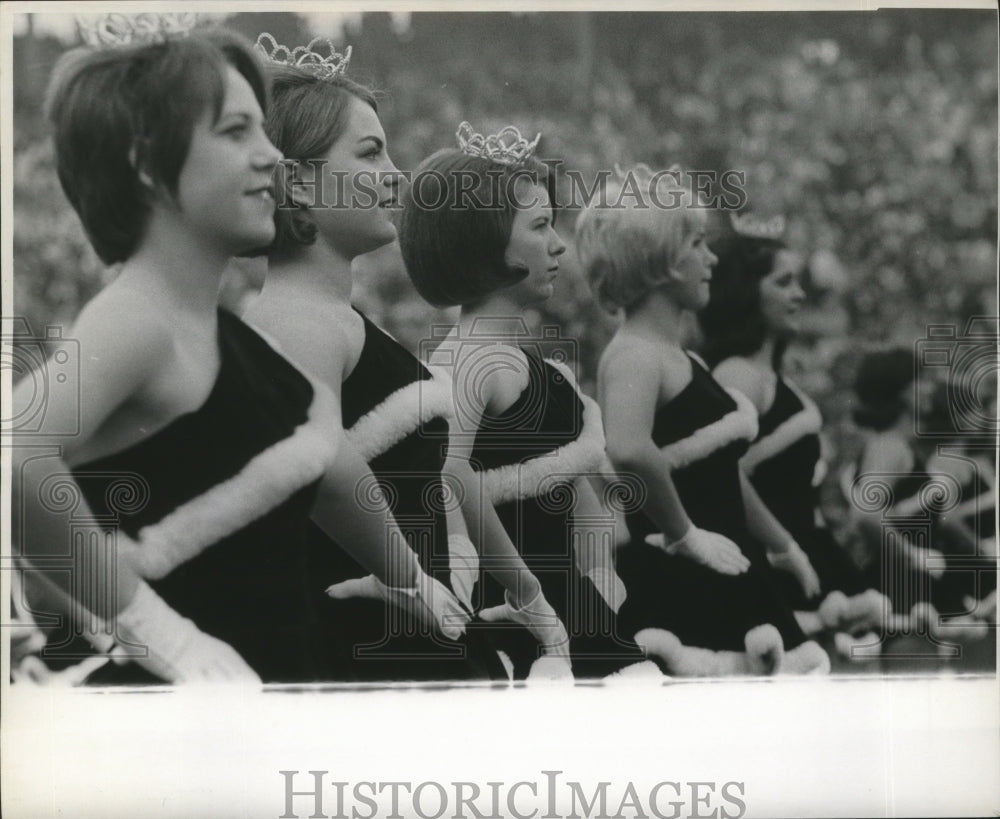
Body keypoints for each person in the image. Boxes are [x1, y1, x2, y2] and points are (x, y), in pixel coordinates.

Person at [11, 16, 461, 686]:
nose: (274, 156)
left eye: (262, 128)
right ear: (146, 160)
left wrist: (416, 585)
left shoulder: (224, 330)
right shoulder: (136, 314)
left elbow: (330, 472)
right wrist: (161, 633)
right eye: (235, 131)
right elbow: (14, 455)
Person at [245, 38, 566, 682]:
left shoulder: (333, 317)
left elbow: (435, 477)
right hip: (367, 651)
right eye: (370, 153)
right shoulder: (293, 315)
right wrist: (409, 578)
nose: (397, 173)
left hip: (408, 636)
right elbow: (313, 463)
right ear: (299, 181)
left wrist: (515, 591)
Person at [397, 123, 662, 680]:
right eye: (540, 226)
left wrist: (598, 578)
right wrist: (528, 591)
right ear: (487, 244)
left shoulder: (524, 360)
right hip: (519, 617)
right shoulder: (466, 356)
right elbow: (448, 475)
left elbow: (580, 498)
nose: (559, 244)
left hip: (573, 605)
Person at [575, 165, 830, 676]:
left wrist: (782, 546)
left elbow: (723, 470)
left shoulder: (677, 356)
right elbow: (627, 449)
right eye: (697, 244)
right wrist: (684, 533)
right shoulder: (634, 355)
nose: (712, 258)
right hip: (679, 581)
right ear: (662, 259)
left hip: (724, 566)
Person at [698, 217, 891, 641]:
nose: (800, 294)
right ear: (747, 292)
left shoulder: (767, 375)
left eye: (799, 282)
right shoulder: (739, 374)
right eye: (784, 283)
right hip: (776, 572)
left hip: (808, 557)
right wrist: (785, 547)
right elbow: (723, 478)